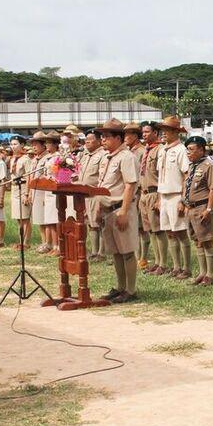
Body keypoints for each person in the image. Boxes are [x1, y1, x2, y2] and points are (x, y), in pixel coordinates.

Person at [93, 118, 141, 304]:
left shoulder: (126, 157)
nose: (103, 140)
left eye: (106, 136)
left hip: (121, 208)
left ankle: (131, 289)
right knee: (116, 252)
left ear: (118, 138)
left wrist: (124, 212)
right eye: (102, 136)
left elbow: (130, 185)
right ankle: (120, 287)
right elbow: (103, 185)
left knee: (127, 251)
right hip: (108, 209)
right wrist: (99, 208)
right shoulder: (107, 158)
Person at [156, 115, 193, 279]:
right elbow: (161, 176)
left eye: (167, 130)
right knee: (169, 232)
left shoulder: (181, 150)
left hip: (176, 195)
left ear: (176, 132)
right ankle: (176, 266)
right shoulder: (162, 150)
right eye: (162, 130)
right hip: (164, 195)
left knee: (181, 232)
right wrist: (159, 198)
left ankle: (186, 267)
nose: (163, 133)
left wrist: (183, 200)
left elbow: (186, 176)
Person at [181, 136, 213, 286]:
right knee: (198, 241)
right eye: (187, 150)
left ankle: (210, 274)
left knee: (207, 240)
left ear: (201, 150)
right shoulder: (192, 167)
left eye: (191, 149)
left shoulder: (208, 166)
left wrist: (209, 209)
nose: (188, 153)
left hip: (202, 207)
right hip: (191, 209)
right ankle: (202, 273)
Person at [140, 121, 168, 274]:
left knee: (158, 230)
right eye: (143, 132)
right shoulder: (147, 149)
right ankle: (157, 262)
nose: (143, 134)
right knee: (150, 230)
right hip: (144, 194)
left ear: (155, 133)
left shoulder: (160, 150)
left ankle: (163, 263)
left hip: (154, 192)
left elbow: (163, 175)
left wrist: (160, 198)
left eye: (146, 132)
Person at [79, 131, 107, 261]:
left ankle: (102, 252)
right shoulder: (85, 155)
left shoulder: (103, 155)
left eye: (90, 140)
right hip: (84, 194)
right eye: (86, 140)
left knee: (99, 223)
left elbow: (102, 175)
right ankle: (94, 251)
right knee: (90, 223)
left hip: (96, 193)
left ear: (98, 141)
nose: (87, 142)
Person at [124, 122, 149, 269]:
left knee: (141, 227)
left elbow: (142, 174)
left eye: (127, 135)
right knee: (133, 226)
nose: (125, 138)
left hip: (139, 192)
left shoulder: (141, 151)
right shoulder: (129, 152)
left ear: (134, 136)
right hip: (130, 193)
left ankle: (143, 257)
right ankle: (136, 254)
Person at [27, 132, 52, 253]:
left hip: (44, 190)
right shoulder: (34, 159)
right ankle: (44, 242)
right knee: (38, 218)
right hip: (35, 190)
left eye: (36, 144)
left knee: (46, 219)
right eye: (33, 144)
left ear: (43, 145)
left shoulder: (48, 158)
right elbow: (30, 177)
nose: (34, 147)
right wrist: (29, 193)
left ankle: (49, 243)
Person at [8, 136, 33, 250]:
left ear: (22, 145)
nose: (13, 146)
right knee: (18, 217)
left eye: (15, 144)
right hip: (14, 188)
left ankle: (26, 242)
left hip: (23, 187)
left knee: (25, 217)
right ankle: (20, 240)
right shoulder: (12, 159)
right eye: (11, 144)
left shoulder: (26, 159)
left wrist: (27, 194)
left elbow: (29, 177)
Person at [41, 131, 62, 254]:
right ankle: (53, 245)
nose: (46, 145)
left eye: (49, 143)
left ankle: (58, 246)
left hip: (55, 189)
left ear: (55, 144)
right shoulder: (48, 157)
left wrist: (49, 178)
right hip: (47, 190)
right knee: (49, 219)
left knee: (55, 219)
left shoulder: (58, 157)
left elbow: (56, 173)